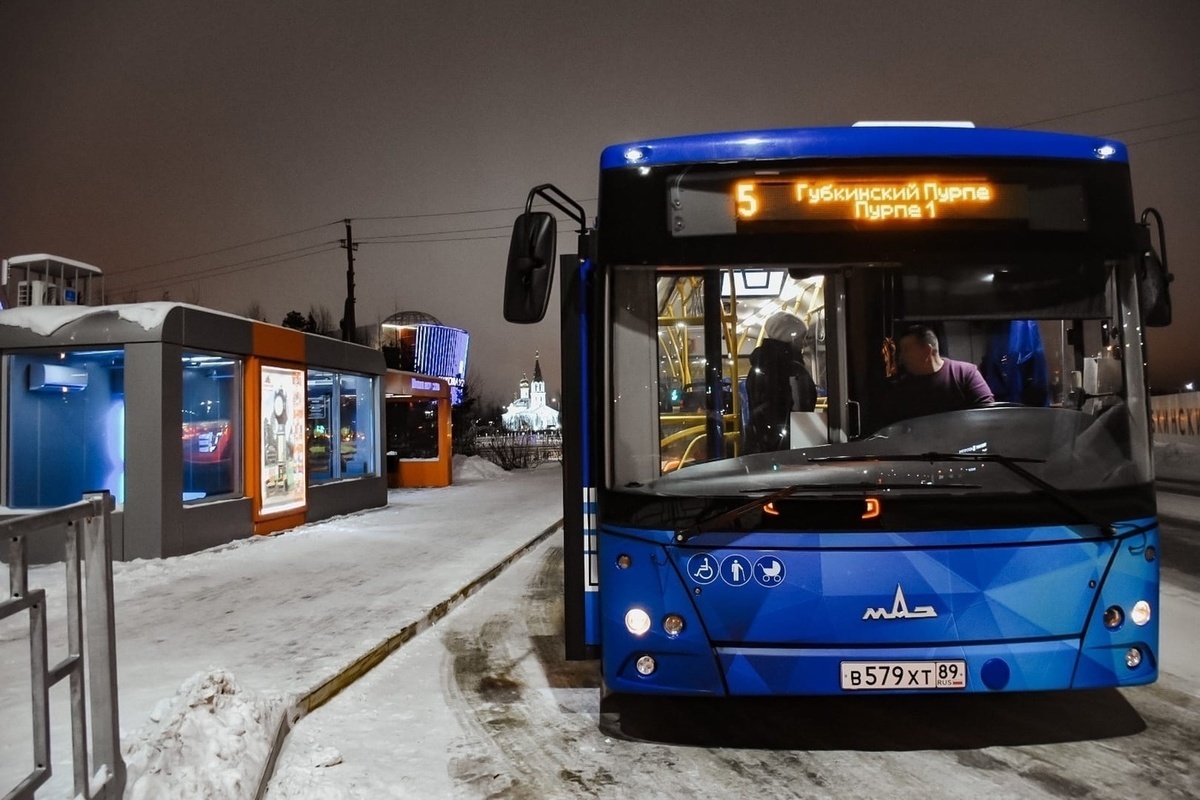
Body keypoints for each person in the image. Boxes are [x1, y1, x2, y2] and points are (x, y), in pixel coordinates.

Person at [882, 324, 994, 424]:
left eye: (906, 350)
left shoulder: (964, 373)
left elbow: (988, 413)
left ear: (926, 351)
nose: (901, 358)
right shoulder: (901, 388)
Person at [744, 312, 817, 453]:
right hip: (786, 443)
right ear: (790, 337)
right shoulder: (790, 370)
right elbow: (798, 408)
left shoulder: (758, 367)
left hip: (762, 443)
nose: (804, 342)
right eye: (801, 337)